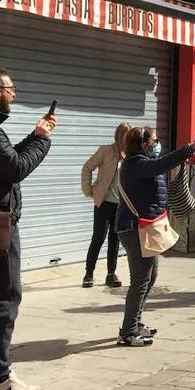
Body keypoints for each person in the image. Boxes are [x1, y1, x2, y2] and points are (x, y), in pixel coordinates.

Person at [0, 67, 55, 390]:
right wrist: (43, 140)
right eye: (11, 89)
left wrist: (36, 135)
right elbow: (17, 168)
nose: (14, 95)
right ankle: (1, 378)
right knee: (6, 296)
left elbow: (7, 161)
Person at [116, 126, 195, 345]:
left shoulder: (143, 164)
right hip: (135, 228)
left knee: (150, 278)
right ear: (143, 145)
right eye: (154, 140)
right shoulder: (136, 164)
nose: (158, 143)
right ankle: (128, 332)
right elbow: (161, 164)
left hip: (148, 227)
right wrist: (192, 147)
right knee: (140, 281)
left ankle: (135, 322)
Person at [79, 122, 131, 289]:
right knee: (98, 238)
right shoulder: (106, 151)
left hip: (121, 205)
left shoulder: (131, 155)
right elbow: (87, 167)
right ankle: (88, 273)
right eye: (124, 134)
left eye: (129, 135)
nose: (125, 138)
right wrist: (89, 191)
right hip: (104, 202)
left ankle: (111, 273)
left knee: (115, 240)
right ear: (118, 136)